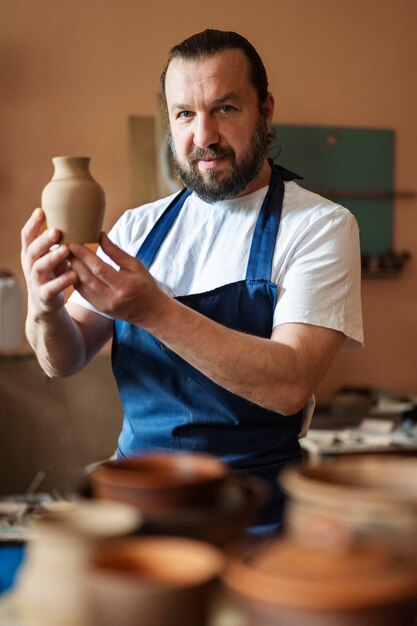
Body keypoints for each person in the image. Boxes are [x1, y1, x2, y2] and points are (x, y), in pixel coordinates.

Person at [21, 29, 363, 538]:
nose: (203, 136)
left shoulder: (320, 226)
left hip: (252, 520)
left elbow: (289, 384)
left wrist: (154, 311)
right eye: (184, 114)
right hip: (134, 510)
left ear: (265, 111)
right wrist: (43, 307)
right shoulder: (137, 228)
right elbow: (61, 360)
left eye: (224, 109)